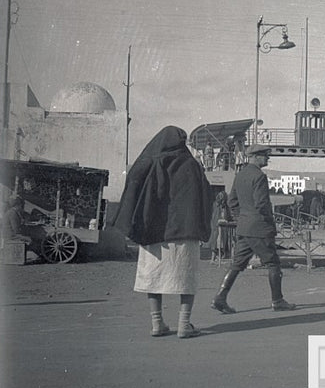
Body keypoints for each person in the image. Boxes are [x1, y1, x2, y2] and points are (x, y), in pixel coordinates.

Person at [113, 126, 213, 339]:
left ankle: (157, 323)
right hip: (185, 232)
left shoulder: (149, 161)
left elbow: (132, 184)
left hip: (154, 232)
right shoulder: (192, 165)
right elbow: (206, 196)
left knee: (154, 276)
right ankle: (184, 324)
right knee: (186, 277)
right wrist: (203, 228)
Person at [212, 144, 297, 314]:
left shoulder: (240, 175)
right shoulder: (259, 176)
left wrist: (241, 218)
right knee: (273, 263)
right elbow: (262, 204)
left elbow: (232, 201)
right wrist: (269, 222)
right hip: (260, 228)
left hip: (244, 228)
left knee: (237, 264)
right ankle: (277, 301)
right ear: (256, 157)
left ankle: (220, 298)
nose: (267, 158)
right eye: (265, 155)